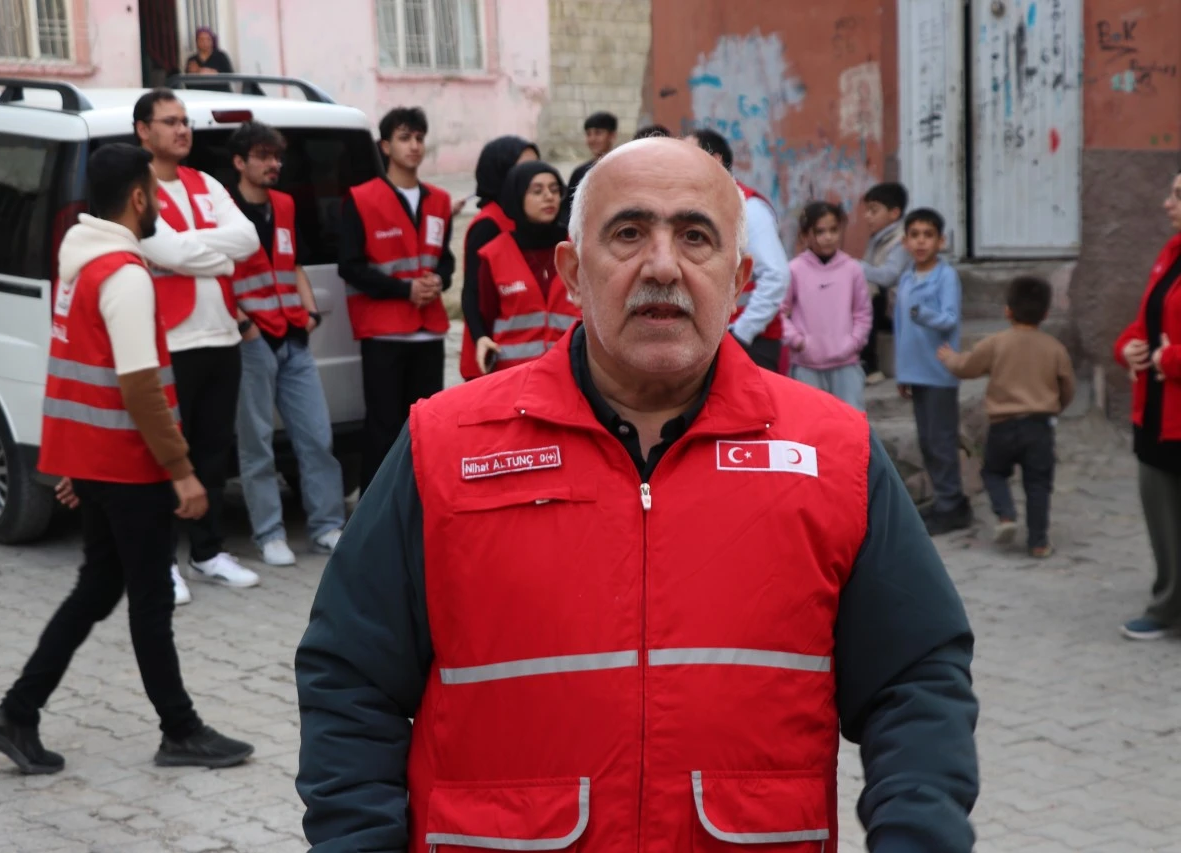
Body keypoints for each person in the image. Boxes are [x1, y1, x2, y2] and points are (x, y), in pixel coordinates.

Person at [295, 137, 978, 853]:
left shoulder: (834, 454)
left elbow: (917, 676)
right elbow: (351, 676)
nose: (662, 265)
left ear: (740, 278)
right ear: (573, 272)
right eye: (628, 233)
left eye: (695, 236)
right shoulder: (445, 445)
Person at [0, 144, 253, 775]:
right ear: (137, 196)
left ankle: (16, 713)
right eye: (154, 192)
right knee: (149, 601)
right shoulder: (124, 274)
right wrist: (182, 470)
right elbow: (138, 387)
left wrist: (73, 463)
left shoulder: (77, 266)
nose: (158, 202)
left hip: (97, 462)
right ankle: (180, 731)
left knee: (97, 588)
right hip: (129, 467)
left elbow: (73, 373)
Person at [135, 88, 262, 603]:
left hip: (221, 336)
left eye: (185, 121)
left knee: (213, 452)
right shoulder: (135, 187)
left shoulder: (204, 181)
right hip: (170, 339)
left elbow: (249, 238)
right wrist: (216, 255)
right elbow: (159, 247)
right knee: (166, 455)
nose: (182, 129)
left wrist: (193, 255)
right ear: (144, 130)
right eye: (169, 122)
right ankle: (159, 561)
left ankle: (207, 551)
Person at [225, 122, 346, 566]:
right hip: (252, 339)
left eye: (277, 156)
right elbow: (218, 275)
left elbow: (291, 263)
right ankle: (269, 533)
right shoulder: (224, 211)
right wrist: (244, 326)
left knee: (317, 435)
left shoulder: (286, 205)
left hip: (293, 334)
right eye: (263, 156)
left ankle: (327, 526)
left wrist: (310, 310)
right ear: (240, 162)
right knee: (255, 441)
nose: (274, 164)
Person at [339, 106, 455, 492]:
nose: (414, 146)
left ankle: (422, 502)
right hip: (384, 333)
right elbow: (351, 267)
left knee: (427, 428)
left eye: (420, 138)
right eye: (405, 138)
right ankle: (376, 507)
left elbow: (446, 259)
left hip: (429, 332)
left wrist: (439, 280)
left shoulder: (439, 200)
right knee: (383, 427)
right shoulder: (360, 199)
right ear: (385, 146)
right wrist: (404, 290)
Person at [937, 276, 1074, 557]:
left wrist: (949, 357)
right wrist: (1055, 406)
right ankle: (1038, 542)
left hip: (1003, 426)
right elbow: (1067, 385)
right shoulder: (1055, 348)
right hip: (1040, 426)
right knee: (1038, 484)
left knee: (993, 472)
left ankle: (1006, 514)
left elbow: (967, 367)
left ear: (1007, 311)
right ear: (1046, 314)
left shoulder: (997, 343)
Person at [1114, 171, 1181, 640]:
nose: (1166, 203)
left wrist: (1169, 359)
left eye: (1177, 194)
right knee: (1162, 515)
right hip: (1156, 412)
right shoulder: (1170, 253)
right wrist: (1129, 348)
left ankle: (1167, 609)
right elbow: (1146, 319)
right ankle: (1167, 601)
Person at [893, 208, 972, 535]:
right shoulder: (907, 277)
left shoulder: (945, 275)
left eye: (928, 235)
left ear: (941, 241)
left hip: (939, 370)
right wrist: (901, 372)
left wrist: (922, 313)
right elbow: (900, 328)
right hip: (915, 371)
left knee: (941, 440)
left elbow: (950, 318)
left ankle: (952, 503)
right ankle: (944, 498)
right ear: (905, 242)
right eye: (915, 235)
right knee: (927, 440)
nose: (921, 241)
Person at [686, 128, 790, 372]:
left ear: (715, 160)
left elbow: (777, 276)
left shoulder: (749, 208)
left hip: (749, 342)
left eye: (688, 154)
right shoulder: (701, 206)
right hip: (715, 339)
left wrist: (743, 333)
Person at [470, 161, 572, 373]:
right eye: (537, 191)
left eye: (554, 189)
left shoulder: (578, 248)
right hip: (514, 376)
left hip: (570, 373)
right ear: (517, 198)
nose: (548, 196)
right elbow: (485, 314)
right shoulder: (494, 254)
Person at [458, 135, 541, 380]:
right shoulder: (489, 224)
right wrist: (480, 337)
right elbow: (472, 291)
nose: (532, 175)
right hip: (493, 356)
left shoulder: (523, 216)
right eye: (523, 167)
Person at [780, 201, 872, 411]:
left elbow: (863, 313)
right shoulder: (794, 270)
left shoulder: (852, 269)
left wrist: (854, 342)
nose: (828, 237)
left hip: (847, 365)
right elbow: (779, 313)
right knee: (811, 426)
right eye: (820, 231)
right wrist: (798, 342)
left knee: (851, 424)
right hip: (806, 367)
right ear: (805, 236)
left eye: (833, 230)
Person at [859, 182, 911, 383]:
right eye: (867, 211)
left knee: (867, 293)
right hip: (886, 305)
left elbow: (889, 275)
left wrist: (857, 266)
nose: (867, 216)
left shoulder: (902, 240)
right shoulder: (879, 238)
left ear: (894, 213)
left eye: (874, 211)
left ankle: (869, 363)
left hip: (897, 308)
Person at [560, 111, 617, 224]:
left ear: (612, 136)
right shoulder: (580, 172)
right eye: (588, 134)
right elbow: (568, 209)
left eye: (598, 133)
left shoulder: (622, 168)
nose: (592, 139)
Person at [184, 27, 234, 92]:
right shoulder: (192, 60)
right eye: (201, 39)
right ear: (197, 41)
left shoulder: (221, 56)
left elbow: (230, 76)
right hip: (199, 95)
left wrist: (203, 71)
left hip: (221, 94)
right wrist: (193, 74)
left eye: (208, 39)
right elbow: (187, 82)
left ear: (212, 41)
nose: (204, 42)